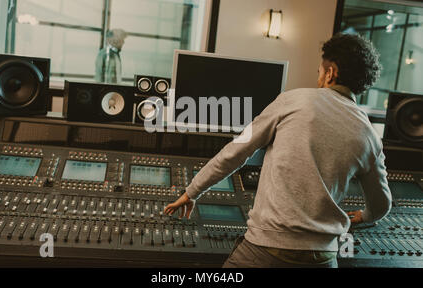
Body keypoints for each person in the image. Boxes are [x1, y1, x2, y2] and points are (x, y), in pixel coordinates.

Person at [164, 33, 392, 268]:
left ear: (330, 73)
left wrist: (191, 192)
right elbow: (382, 205)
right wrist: (364, 216)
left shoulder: (293, 101)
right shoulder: (370, 134)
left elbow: (235, 152)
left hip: (266, 251)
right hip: (323, 258)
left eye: (319, 72)